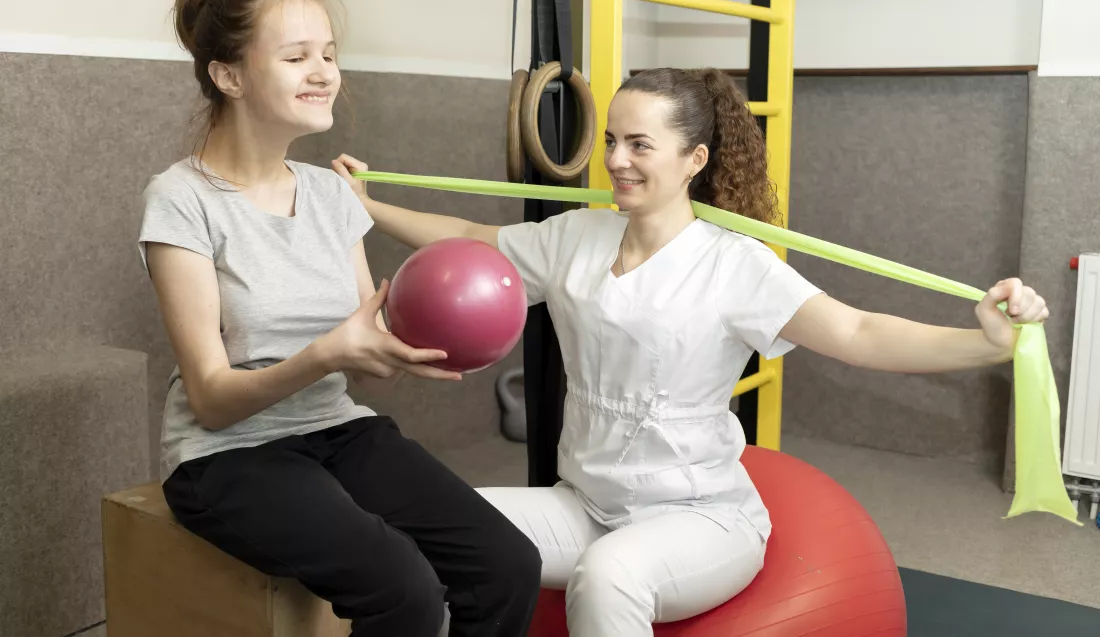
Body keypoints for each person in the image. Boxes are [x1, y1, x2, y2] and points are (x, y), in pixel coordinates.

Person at [332, 65, 1049, 636]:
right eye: (612, 139)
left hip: (700, 518)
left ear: (693, 158)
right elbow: (472, 235)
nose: (616, 159)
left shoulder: (736, 264)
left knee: (610, 575)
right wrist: (367, 206)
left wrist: (986, 343)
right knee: (443, 522)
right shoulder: (580, 236)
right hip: (585, 502)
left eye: (640, 144)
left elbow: (857, 332)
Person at [138, 0, 541, 637]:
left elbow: (365, 340)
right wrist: (328, 352)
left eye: (328, 54)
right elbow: (209, 397)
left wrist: (404, 349)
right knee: (405, 589)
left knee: (506, 564)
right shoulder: (180, 200)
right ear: (228, 75)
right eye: (297, 56)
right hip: (226, 456)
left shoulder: (329, 194)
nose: (324, 71)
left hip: (335, 428)